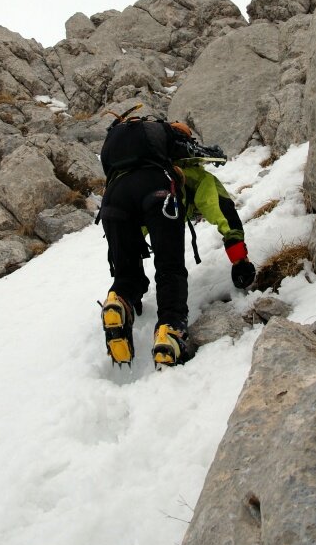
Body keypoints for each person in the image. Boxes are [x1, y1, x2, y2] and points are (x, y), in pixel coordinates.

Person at [98, 115, 256, 369]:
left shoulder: (127, 161)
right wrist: (240, 260)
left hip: (113, 198)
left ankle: (119, 300)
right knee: (169, 268)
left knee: (128, 277)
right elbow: (224, 212)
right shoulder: (192, 174)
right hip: (157, 190)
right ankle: (170, 331)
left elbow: (131, 236)